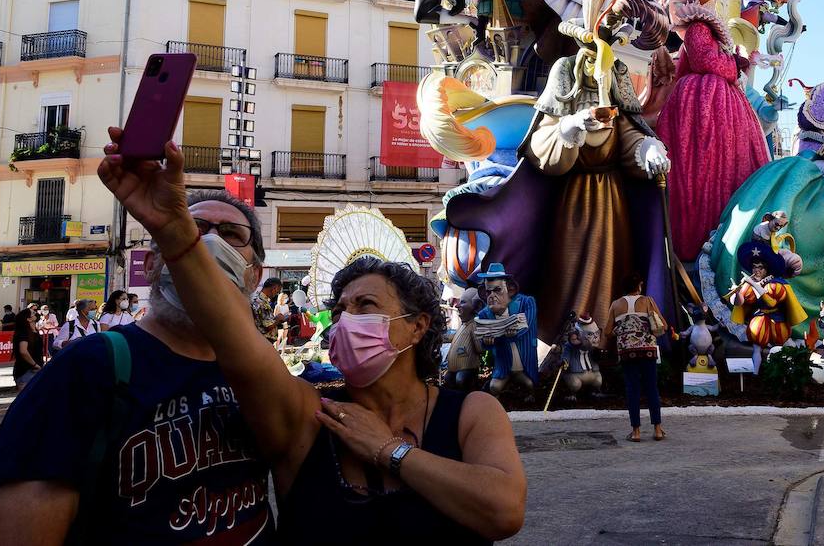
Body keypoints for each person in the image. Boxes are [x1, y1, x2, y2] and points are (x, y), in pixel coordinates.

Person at [97, 133, 526, 543]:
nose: (345, 319)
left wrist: (389, 451)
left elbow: (503, 511)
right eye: (339, 309)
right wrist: (174, 229)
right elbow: (236, 341)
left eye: (366, 306)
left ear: (417, 325)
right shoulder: (307, 412)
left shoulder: (473, 412)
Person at [0, 189, 277, 543]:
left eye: (231, 234)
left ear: (254, 275)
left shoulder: (261, 375)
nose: (210, 242)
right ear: (151, 265)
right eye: (192, 229)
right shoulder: (83, 369)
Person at [605, 274, 665, 444]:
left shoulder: (616, 304)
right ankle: (658, 430)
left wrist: (623, 329)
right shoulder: (648, 301)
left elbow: (607, 331)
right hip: (648, 351)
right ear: (639, 286)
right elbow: (663, 325)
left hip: (627, 352)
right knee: (651, 388)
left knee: (632, 389)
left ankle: (636, 432)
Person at [10, 309, 42, 392]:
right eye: (33, 313)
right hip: (27, 371)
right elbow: (23, 351)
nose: (36, 314)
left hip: (33, 370)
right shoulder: (23, 332)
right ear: (28, 319)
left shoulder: (33, 331)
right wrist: (35, 365)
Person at [252, 277, 286, 342]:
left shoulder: (259, 299)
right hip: (264, 340)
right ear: (274, 288)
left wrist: (275, 318)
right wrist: (278, 318)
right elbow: (268, 326)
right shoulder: (261, 302)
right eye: (277, 292)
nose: (276, 294)